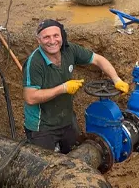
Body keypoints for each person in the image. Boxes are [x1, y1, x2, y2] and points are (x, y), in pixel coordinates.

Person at [22, 19, 129, 153]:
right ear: (38, 40)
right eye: (46, 37)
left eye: (56, 35)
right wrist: (63, 88)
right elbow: (30, 97)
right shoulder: (35, 63)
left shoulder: (69, 50)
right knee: (44, 167)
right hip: (42, 126)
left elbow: (97, 59)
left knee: (75, 156)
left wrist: (116, 79)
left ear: (62, 36)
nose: (52, 41)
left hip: (66, 119)